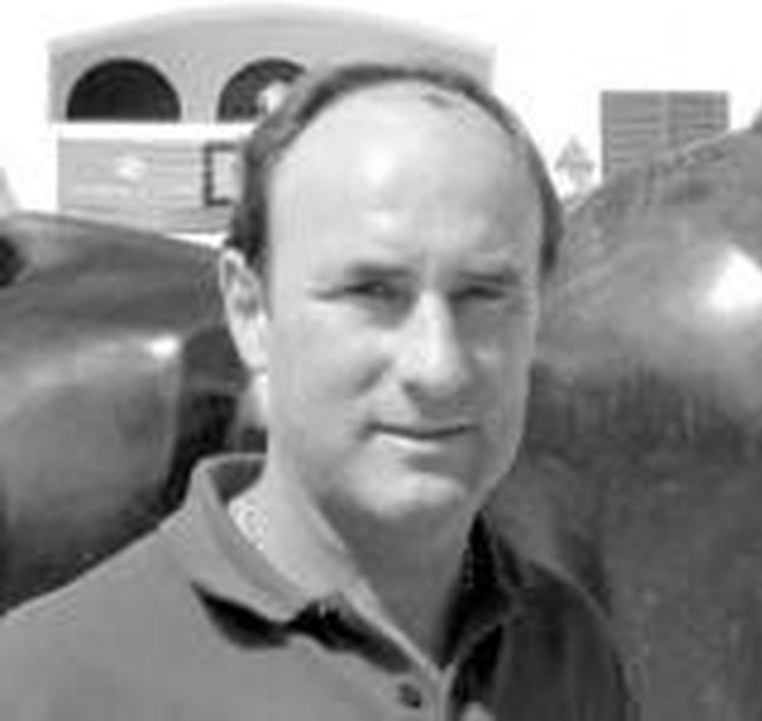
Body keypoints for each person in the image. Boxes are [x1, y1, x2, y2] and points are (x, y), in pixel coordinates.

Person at [0, 61, 635, 719]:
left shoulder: (569, 649)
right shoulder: (54, 686)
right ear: (250, 310)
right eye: (371, 292)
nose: (438, 367)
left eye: (484, 294)